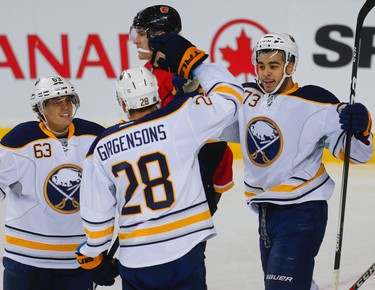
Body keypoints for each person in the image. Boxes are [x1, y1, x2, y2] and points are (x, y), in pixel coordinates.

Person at [75, 33, 243, 289]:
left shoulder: (101, 147)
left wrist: (93, 253)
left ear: (122, 103)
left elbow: (97, 213)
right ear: (155, 92)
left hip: (136, 258)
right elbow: (231, 97)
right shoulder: (181, 117)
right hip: (185, 248)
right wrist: (198, 64)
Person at [238, 32, 374, 290]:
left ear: (290, 66)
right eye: (262, 65)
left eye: (274, 66)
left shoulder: (317, 101)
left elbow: (357, 153)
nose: (266, 73)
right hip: (266, 211)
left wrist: (362, 129)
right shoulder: (246, 96)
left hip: (302, 210)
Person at [0, 76, 105, 290]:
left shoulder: (94, 135)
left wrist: (99, 247)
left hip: (77, 259)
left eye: (68, 100)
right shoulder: (20, 140)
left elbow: (114, 188)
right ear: (40, 108)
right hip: (25, 259)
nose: (65, 107)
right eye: (56, 102)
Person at [130, 4, 234, 215]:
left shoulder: (194, 73)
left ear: (158, 35)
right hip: (167, 168)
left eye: (141, 33)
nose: (135, 40)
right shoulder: (146, 72)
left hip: (202, 165)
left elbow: (212, 128)